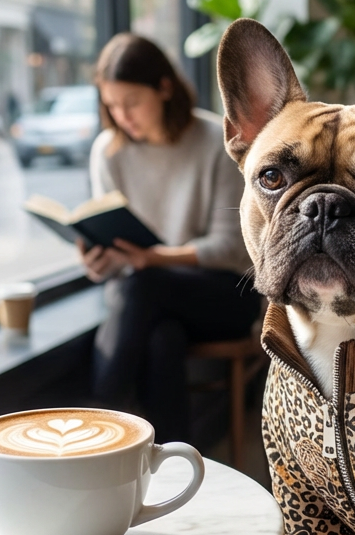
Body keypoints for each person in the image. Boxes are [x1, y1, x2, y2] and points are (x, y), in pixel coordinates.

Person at [81, 32, 258, 444]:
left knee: (144, 285)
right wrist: (99, 261)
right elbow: (115, 248)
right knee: (163, 339)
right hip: (150, 301)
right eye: (111, 105)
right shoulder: (108, 151)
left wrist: (153, 259)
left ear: (164, 88)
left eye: (131, 103)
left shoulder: (216, 141)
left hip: (223, 295)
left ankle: (93, 421)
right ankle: (176, 465)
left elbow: (232, 247)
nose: (122, 115)